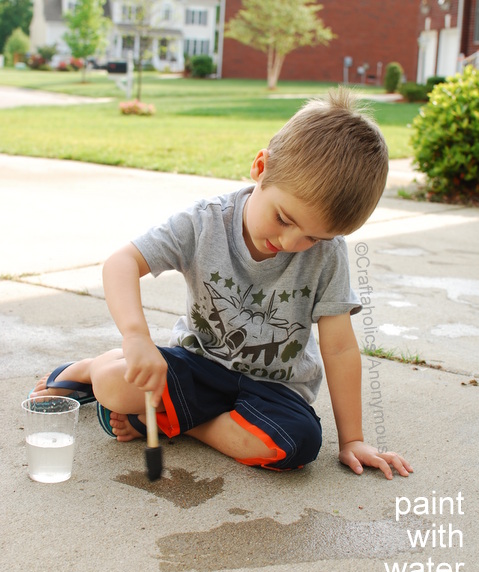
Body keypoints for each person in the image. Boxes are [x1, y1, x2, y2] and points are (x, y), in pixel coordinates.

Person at [31, 88, 413, 479]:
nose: (289, 243)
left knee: (298, 444)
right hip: (199, 366)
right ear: (261, 168)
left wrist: (352, 440)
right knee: (113, 384)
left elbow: (340, 347)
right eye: (283, 219)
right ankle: (90, 368)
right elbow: (121, 262)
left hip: (274, 390)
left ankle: (172, 421)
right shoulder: (204, 222)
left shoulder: (328, 254)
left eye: (313, 237)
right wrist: (136, 338)